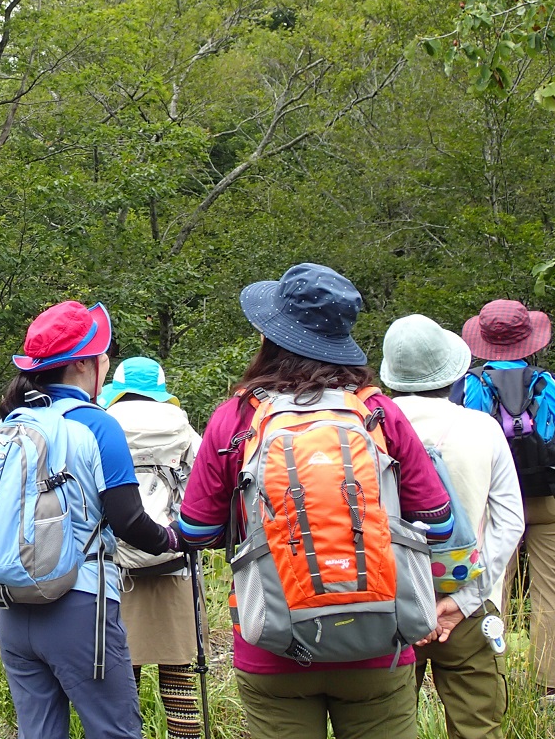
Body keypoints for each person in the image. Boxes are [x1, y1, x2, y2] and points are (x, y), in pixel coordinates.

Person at [177, 263, 453, 739]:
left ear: (270, 337)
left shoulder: (238, 417)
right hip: (379, 639)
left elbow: (196, 531)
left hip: (273, 642)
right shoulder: (377, 411)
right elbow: (440, 522)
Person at [0, 300, 180, 739]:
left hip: (12, 610)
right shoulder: (96, 424)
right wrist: (174, 539)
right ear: (83, 365)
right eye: (102, 353)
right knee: (114, 730)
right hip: (79, 605)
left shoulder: (11, 423)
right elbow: (131, 520)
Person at [381, 314, 523, 739]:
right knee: (477, 726)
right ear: (454, 369)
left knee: (385, 726)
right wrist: (465, 600)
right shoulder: (483, 428)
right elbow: (510, 521)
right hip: (467, 599)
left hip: (387, 606)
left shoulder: (366, 428)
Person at [452, 298, 555, 699]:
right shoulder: (549, 383)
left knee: (491, 583)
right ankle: (550, 689)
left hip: (490, 499)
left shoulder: (467, 386)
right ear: (530, 341)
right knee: (553, 588)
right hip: (551, 496)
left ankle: (490, 679)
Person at [98, 357, 204, 739]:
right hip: (173, 564)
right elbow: (205, 490)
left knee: (123, 678)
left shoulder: (102, 425)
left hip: (114, 570)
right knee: (179, 678)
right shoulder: (183, 429)